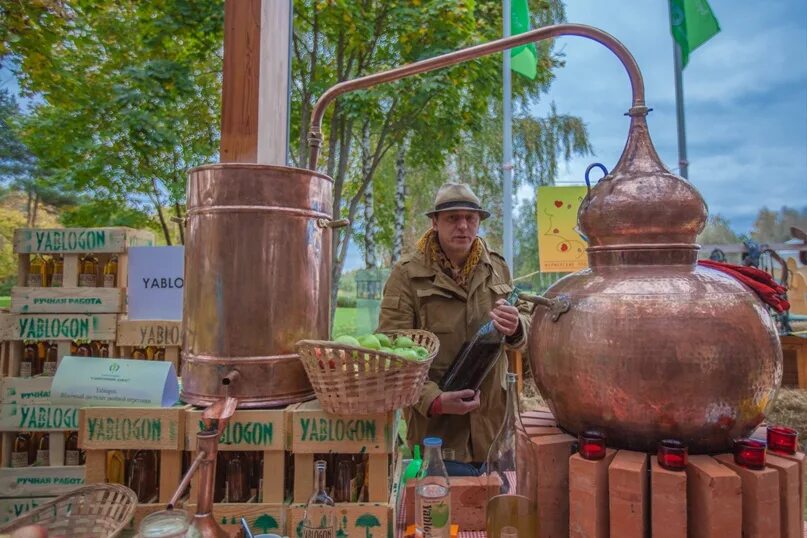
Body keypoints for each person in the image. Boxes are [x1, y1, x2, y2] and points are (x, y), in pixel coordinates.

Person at [377, 182, 532, 465]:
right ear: (434, 222)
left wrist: (517, 326)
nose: (463, 226)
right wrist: (434, 400)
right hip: (438, 434)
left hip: (494, 430)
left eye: (470, 218)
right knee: (439, 508)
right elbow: (392, 349)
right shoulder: (407, 275)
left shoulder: (497, 267)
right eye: (452, 218)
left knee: (493, 506)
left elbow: (526, 320)